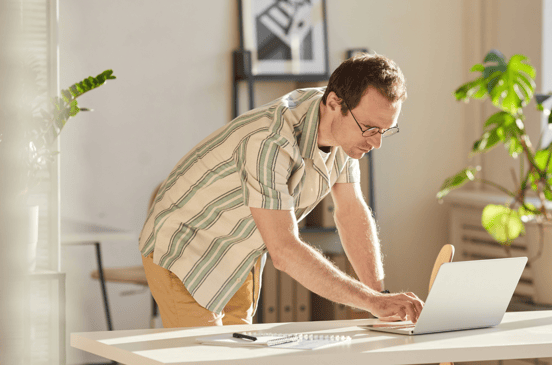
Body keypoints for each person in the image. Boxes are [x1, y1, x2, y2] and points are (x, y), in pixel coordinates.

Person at [139, 53, 424, 327]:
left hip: (240, 250)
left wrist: (380, 299)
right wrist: (370, 301)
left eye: (386, 131)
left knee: (238, 355)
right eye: (371, 129)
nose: (376, 144)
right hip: (186, 245)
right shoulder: (270, 141)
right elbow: (284, 250)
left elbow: (351, 211)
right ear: (335, 102)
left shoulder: (345, 134)